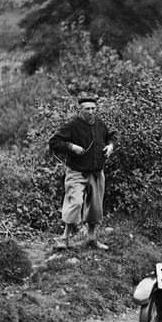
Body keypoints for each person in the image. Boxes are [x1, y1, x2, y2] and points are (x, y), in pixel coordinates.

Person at [48, 93, 115, 250]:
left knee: (95, 208)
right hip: (77, 172)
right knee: (75, 203)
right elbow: (54, 142)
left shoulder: (100, 123)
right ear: (80, 110)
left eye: (93, 109)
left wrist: (111, 146)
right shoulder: (72, 125)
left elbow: (110, 136)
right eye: (87, 109)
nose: (91, 112)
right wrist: (71, 147)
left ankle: (91, 239)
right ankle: (64, 239)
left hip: (97, 172)